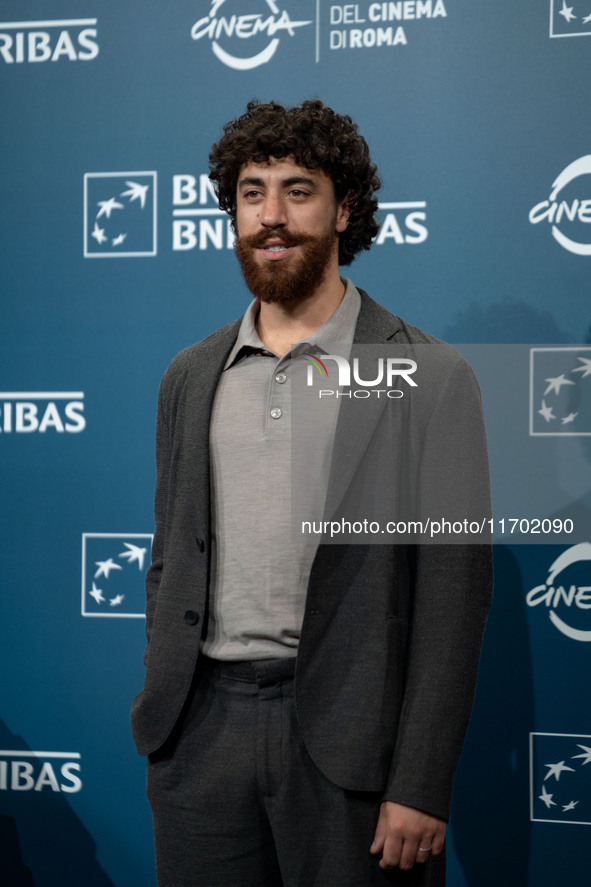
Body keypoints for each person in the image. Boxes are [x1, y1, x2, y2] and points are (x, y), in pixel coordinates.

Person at [131, 99, 492, 887]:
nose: (271, 215)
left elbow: (452, 599)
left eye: (298, 191)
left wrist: (420, 780)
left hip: (352, 749)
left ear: (343, 211)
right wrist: (168, 717)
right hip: (201, 740)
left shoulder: (430, 376)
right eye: (252, 191)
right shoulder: (190, 376)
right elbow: (170, 555)